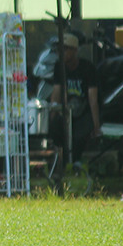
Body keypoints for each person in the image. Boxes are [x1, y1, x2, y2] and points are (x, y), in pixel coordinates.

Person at [50, 33, 101, 164]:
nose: (61, 53)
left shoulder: (88, 68)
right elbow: (56, 93)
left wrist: (96, 126)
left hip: (83, 112)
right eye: (59, 49)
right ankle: (61, 162)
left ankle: (74, 164)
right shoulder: (58, 67)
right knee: (55, 130)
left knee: (79, 136)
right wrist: (52, 117)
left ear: (75, 50)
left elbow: (93, 99)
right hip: (66, 111)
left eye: (65, 49)